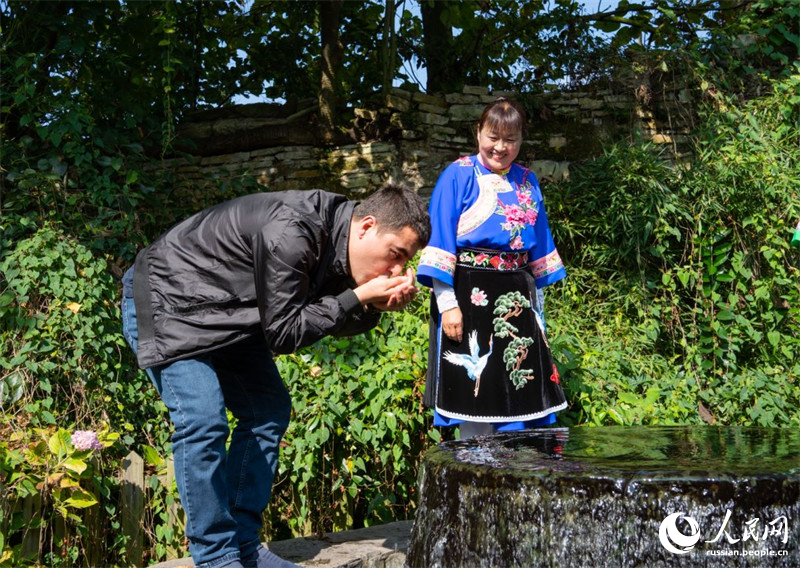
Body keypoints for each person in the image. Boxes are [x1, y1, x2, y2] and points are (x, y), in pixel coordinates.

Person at [120, 183, 430, 568]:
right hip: (169, 301)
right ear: (366, 226)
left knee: (267, 409)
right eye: (396, 255)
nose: (398, 270)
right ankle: (217, 556)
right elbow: (285, 333)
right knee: (202, 419)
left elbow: (326, 320)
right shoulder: (292, 231)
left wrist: (373, 306)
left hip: (231, 316)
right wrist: (359, 298)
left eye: (405, 262)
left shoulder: (342, 247)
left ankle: (244, 545)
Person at [416, 97, 567, 439]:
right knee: (476, 389)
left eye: (510, 139)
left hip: (518, 299)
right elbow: (440, 242)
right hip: (470, 297)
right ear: (478, 133)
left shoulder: (528, 181)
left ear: (521, 141)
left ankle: (517, 476)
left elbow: (539, 247)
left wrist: (538, 311)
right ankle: (475, 473)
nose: (501, 147)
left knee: (519, 387)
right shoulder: (458, 176)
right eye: (493, 137)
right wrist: (447, 305)